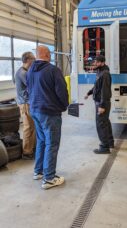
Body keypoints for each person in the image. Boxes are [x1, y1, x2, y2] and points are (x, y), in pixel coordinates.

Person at [27, 45, 69, 190]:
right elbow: (62, 91)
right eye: (49, 53)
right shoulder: (53, 70)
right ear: (46, 54)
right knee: (52, 144)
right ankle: (49, 178)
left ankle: (38, 171)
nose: (50, 55)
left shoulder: (31, 70)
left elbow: (29, 89)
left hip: (35, 110)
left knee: (42, 141)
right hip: (49, 112)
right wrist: (64, 106)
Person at [85, 55, 114, 154]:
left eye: (97, 62)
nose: (94, 64)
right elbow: (96, 87)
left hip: (102, 103)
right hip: (100, 102)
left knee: (101, 124)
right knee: (105, 122)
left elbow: (105, 91)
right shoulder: (99, 72)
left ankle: (104, 147)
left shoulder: (105, 74)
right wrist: (89, 93)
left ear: (102, 62)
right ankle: (110, 142)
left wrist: (102, 106)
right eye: (95, 62)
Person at [15, 51, 36, 160]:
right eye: (33, 59)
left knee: (32, 126)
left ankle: (32, 147)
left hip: (26, 102)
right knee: (28, 127)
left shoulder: (23, 71)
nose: (35, 61)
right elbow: (32, 86)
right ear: (28, 60)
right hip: (25, 103)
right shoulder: (23, 73)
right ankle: (27, 152)